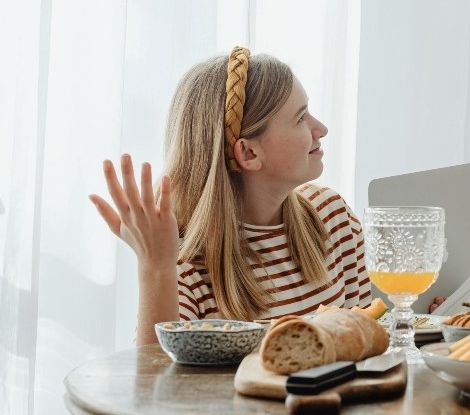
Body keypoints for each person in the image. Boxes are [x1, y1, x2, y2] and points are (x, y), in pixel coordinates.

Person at [89, 47, 371, 344]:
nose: (321, 129)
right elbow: (153, 387)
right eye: (301, 118)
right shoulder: (186, 270)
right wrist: (155, 267)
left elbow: (370, 345)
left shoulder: (332, 216)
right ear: (249, 152)